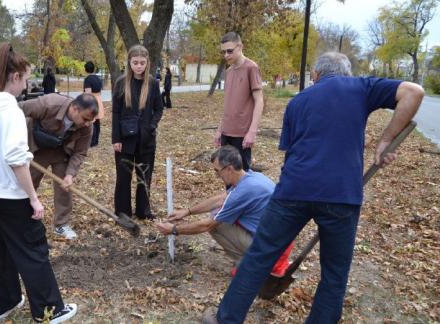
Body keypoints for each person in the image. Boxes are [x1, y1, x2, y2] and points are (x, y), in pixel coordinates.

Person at [207, 52, 424, 324]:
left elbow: (291, 150)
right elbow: (413, 93)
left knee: (259, 256)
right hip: (341, 194)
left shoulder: (298, 102)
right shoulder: (361, 87)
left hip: (293, 190)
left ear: (316, 75)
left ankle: (225, 319)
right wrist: (385, 141)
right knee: (334, 272)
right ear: (346, 72)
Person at [0, 43, 77, 323]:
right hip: (9, 196)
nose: (25, 86)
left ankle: (4, 304)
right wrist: (33, 197)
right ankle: (50, 310)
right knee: (32, 250)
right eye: (24, 79)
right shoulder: (9, 109)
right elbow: (15, 157)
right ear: (14, 77)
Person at [155, 146, 292, 276]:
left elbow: (207, 225)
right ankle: (253, 261)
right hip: (279, 243)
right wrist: (187, 211)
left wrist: (173, 229)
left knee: (218, 224)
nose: (217, 175)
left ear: (229, 169)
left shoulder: (243, 191)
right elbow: (221, 199)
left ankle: (251, 264)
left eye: (217, 171)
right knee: (219, 214)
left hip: (272, 251)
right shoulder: (252, 177)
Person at [19, 92, 98, 240]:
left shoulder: (87, 126)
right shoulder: (49, 103)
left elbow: (80, 153)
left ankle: (61, 224)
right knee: (27, 186)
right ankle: (22, 220)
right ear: (74, 108)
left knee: (65, 188)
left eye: (91, 120)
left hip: (61, 151)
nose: (88, 123)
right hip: (36, 148)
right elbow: (16, 109)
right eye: (85, 118)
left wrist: (69, 175)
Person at [112, 45, 163, 220]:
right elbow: (116, 112)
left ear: (147, 63)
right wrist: (116, 138)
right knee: (123, 177)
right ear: (129, 62)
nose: (139, 66)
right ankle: (122, 211)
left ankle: (143, 210)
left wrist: (151, 125)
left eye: (142, 63)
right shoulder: (121, 83)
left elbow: (159, 109)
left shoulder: (153, 84)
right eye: (135, 62)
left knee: (144, 176)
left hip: (146, 140)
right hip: (125, 139)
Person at [214, 32, 264, 171]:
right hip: (226, 133)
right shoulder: (229, 71)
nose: (226, 55)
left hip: (242, 135)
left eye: (230, 51)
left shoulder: (251, 68)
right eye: (223, 52)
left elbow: (259, 101)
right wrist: (219, 130)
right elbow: (228, 104)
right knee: (226, 175)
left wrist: (252, 132)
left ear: (240, 46)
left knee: (242, 177)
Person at [83, 61, 105, 147]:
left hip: (91, 100)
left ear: (86, 70)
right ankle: (96, 141)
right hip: (98, 100)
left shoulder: (88, 79)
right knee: (97, 121)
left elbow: (88, 93)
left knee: (91, 121)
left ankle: (92, 142)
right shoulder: (98, 78)